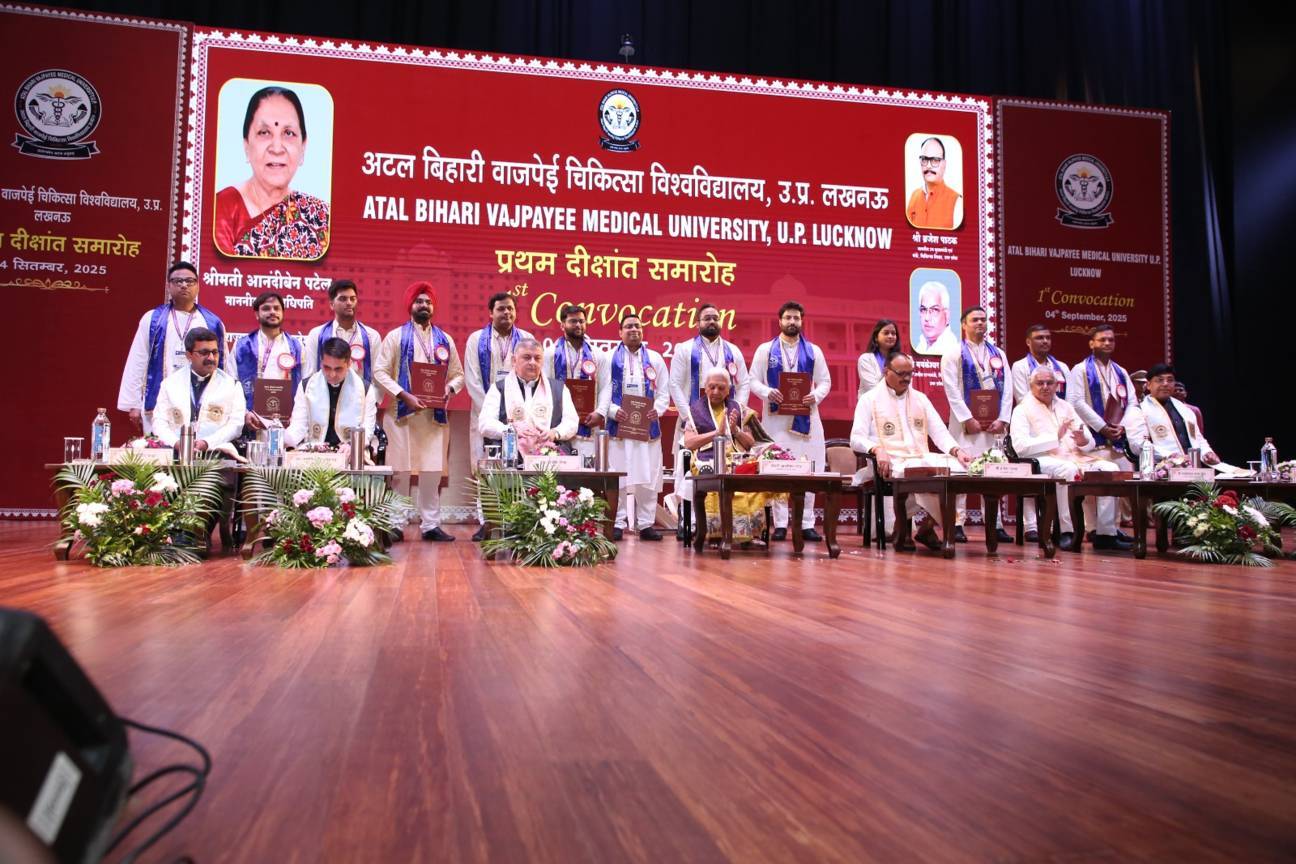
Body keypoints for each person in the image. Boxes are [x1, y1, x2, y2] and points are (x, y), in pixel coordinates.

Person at [850, 353, 972, 551]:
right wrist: (877, 449)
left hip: (919, 457)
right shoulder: (869, 399)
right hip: (889, 460)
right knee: (922, 472)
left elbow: (939, 432)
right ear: (886, 371)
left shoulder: (920, 399)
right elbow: (855, 438)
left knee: (960, 470)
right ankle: (903, 529)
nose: (906, 378)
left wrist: (957, 450)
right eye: (901, 373)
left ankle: (927, 527)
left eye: (910, 373)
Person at [373, 282, 465, 542]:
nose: (424, 305)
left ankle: (430, 525)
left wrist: (448, 388)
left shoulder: (444, 340)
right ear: (410, 306)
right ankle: (395, 524)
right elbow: (379, 371)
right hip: (401, 414)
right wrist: (404, 394)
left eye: (428, 302)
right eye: (419, 301)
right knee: (400, 472)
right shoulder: (395, 337)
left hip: (433, 417)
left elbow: (458, 375)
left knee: (432, 472)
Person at [1010, 366, 1130, 551]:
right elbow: (1021, 448)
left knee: (1110, 469)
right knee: (1068, 470)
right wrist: (1055, 438)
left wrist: (1083, 441)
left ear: (1056, 385)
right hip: (1040, 459)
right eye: (1040, 383)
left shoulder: (1065, 406)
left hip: (1076, 456)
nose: (1045, 387)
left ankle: (1106, 534)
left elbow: (1089, 441)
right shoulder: (1022, 410)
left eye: (1049, 383)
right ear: (1031, 385)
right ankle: (1067, 531)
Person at [214, 85, 329, 259]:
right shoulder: (223, 210)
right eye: (264, 132)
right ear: (246, 146)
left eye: (288, 133)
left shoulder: (320, 217)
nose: (276, 148)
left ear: (303, 148)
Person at [748, 301, 831, 541]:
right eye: (788, 318)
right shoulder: (765, 350)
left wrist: (815, 395)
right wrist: (767, 392)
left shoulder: (814, 351)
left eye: (796, 318)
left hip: (807, 419)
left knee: (809, 469)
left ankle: (806, 523)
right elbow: (753, 380)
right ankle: (781, 524)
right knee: (778, 468)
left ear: (802, 321)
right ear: (780, 321)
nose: (792, 322)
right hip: (776, 420)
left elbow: (825, 381)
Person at [117, 261, 227, 436]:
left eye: (189, 281)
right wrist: (134, 404)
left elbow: (222, 366)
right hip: (161, 400)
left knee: (199, 450)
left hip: (201, 400)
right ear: (169, 286)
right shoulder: (153, 319)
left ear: (198, 286)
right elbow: (138, 360)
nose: (184, 285)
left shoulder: (212, 322)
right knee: (160, 448)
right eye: (178, 281)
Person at [668, 302, 750, 527]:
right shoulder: (685, 349)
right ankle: (687, 522)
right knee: (685, 470)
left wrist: (737, 412)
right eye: (707, 318)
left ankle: (723, 522)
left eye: (715, 318)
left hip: (727, 423)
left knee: (728, 471)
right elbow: (674, 384)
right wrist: (689, 416)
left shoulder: (733, 351)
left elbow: (743, 383)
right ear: (698, 323)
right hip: (693, 422)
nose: (712, 321)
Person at [682, 367, 781, 545]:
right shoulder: (694, 411)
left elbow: (750, 443)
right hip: (708, 460)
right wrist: (716, 433)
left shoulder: (739, 410)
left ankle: (747, 535)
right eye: (712, 387)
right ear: (705, 388)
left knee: (750, 478)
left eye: (721, 388)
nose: (716, 391)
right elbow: (689, 443)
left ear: (728, 390)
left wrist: (735, 430)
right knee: (718, 479)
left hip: (737, 460)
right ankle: (717, 535)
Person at [464, 292, 535, 539]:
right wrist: (493, 411)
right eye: (501, 309)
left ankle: (516, 519)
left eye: (510, 309)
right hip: (484, 415)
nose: (506, 313)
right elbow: (472, 379)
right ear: (490, 313)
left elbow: (532, 375)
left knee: (518, 466)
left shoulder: (526, 339)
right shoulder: (476, 340)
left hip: (520, 417)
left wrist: (513, 415)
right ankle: (487, 521)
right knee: (484, 466)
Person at [941, 306, 1013, 542]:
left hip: (993, 425)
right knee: (961, 471)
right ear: (964, 324)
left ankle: (995, 524)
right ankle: (957, 523)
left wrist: (1003, 419)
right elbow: (951, 389)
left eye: (983, 319)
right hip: (965, 425)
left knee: (994, 472)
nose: (980, 323)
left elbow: (1008, 388)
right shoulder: (953, 353)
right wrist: (967, 418)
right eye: (975, 320)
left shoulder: (998, 354)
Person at [597, 313, 669, 541]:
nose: (634, 330)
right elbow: (601, 390)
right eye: (628, 326)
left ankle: (646, 524)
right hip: (618, 427)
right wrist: (611, 410)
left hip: (646, 427)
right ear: (620, 332)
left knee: (648, 476)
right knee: (618, 475)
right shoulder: (608, 358)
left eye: (637, 326)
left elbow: (664, 392)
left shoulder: (655, 358)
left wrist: (657, 409)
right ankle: (618, 522)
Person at [1009, 324, 1071, 540]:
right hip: (1033, 423)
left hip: (1057, 420)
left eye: (1047, 337)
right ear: (1028, 341)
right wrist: (1051, 433)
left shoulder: (1062, 367)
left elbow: (1067, 400)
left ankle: (1065, 527)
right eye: (1039, 337)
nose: (1044, 341)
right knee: (1031, 465)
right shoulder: (1020, 366)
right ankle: (1032, 526)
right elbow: (1023, 396)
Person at [151, 327, 246, 452]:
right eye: (204, 352)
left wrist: (207, 442)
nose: (211, 358)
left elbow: (236, 425)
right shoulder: (170, 384)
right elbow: (159, 423)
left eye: (215, 352)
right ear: (189, 355)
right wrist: (177, 443)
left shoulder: (232, 386)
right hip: (176, 453)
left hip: (216, 454)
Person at [479, 337, 578, 454]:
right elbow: (485, 423)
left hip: (549, 457)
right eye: (527, 357)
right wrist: (510, 430)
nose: (532, 362)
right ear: (514, 360)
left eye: (537, 358)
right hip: (510, 456)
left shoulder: (559, 388)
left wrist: (555, 432)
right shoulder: (499, 388)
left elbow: (571, 422)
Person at [1065, 323, 1145, 464]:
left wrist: (1123, 426)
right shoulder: (1080, 369)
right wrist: (1102, 427)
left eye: (1111, 340)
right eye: (1102, 340)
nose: (1107, 343)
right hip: (1094, 442)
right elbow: (1076, 403)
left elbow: (1132, 403)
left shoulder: (1121, 371)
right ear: (1091, 343)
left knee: (1125, 477)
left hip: (1119, 441)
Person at [285, 337, 377, 450]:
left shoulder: (365, 389)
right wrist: (285, 439)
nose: (332, 374)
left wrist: (352, 446)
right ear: (321, 362)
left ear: (349, 364)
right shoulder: (306, 386)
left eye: (338, 369)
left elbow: (367, 429)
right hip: (315, 451)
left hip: (351, 451)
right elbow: (298, 425)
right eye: (327, 367)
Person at [230, 291, 302, 431]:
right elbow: (232, 383)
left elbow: (305, 385)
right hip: (252, 420)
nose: (272, 312)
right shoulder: (242, 346)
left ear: (283, 313)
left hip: (287, 422)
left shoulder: (296, 347)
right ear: (257, 314)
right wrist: (245, 413)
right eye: (266, 308)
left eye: (276, 308)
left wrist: (297, 416)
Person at [542, 304, 606, 460]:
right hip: (558, 424)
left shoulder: (598, 354)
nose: (578, 325)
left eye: (581, 321)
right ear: (562, 325)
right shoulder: (550, 353)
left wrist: (600, 412)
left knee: (587, 468)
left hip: (589, 424)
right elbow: (543, 387)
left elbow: (606, 386)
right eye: (573, 321)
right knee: (560, 469)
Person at [1140, 364, 1225, 466]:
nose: (1165, 384)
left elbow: (1197, 438)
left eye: (1170, 380)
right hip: (1160, 469)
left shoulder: (1185, 410)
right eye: (1160, 380)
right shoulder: (1140, 410)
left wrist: (1207, 452)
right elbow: (1139, 444)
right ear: (1148, 385)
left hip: (1192, 468)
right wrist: (1172, 456)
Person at [302, 279, 381, 386]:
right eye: (343, 299)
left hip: (361, 395)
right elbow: (309, 374)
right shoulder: (316, 335)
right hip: (325, 395)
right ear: (331, 304)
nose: (349, 303)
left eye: (352, 299)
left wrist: (370, 396)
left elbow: (377, 377)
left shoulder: (372, 336)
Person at [905, 136, 963, 230]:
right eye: (924, 159)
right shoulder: (914, 196)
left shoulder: (957, 202)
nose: (928, 166)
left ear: (944, 164)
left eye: (935, 160)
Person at [857, 318, 904, 397]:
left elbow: (905, 387)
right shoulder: (866, 359)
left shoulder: (903, 361)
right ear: (876, 337)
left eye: (893, 333)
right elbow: (872, 388)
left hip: (897, 403)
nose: (890, 336)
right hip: (872, 403)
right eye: (886, 333)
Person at [913, 281, 959, 355]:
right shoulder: (921, 344)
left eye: (934, 310)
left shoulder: (952, 350)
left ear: (947, 315)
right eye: (923, 309)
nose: (927, 318)